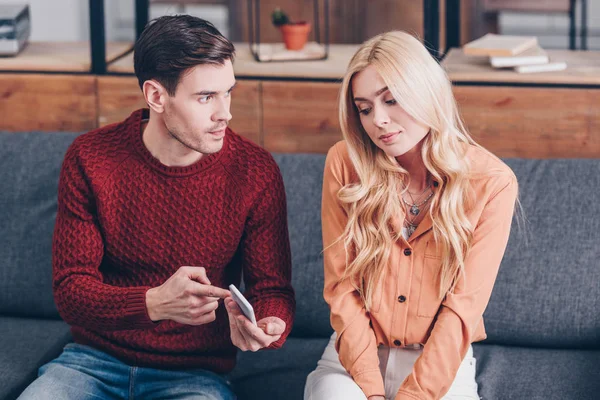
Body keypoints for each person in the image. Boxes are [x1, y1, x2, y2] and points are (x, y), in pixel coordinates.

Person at [18, 15, 295, 400]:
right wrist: (154, 303)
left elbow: (273, 288)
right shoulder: (90, 159)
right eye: (205, 97)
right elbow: (70, 290)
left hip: (194, 374)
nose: (225, 113)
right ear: (156, 96)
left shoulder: (255, 171)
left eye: (228, 92)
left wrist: (267, 324)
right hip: (91, 362)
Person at [305, 31, 518, 400]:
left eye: (392, 100)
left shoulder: (492, 182)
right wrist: (371, 392)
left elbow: (462, 310)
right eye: (365, 108)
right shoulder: (345, 162)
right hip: (353, 359)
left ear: (425, 91)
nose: (379, 121)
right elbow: (341, 289)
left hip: (439, 365)